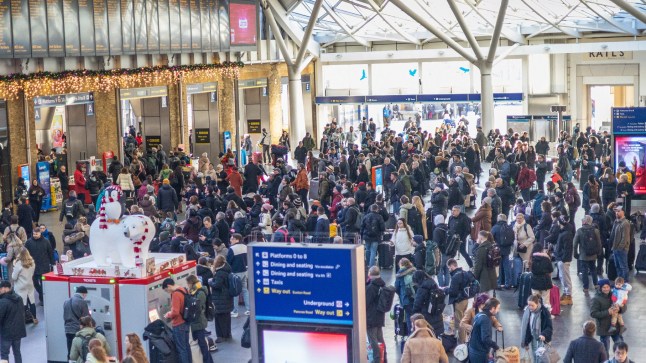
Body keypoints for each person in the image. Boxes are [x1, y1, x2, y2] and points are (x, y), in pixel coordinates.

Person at [591, 279, 624, 355]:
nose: (606, 289)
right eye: (604, 287)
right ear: (600, 288)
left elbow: (624, 306)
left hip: (615, 327)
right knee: (605, 351)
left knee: (621, 347)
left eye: (607, 287)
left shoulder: (615, 294)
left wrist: (620, 309)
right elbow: (593, 313)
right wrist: (607, 312)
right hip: (604, 328)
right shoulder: (596, 299)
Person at [162, 278, 191, 363]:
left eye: (167, 290)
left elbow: (175, 312)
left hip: (178, 324)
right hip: (186, 321)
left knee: (181, 350)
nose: (168, 292)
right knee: (186, 346)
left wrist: (168, 314)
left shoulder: (175, 294)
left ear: (169, 286)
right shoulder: (183, 290)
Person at [186, 274, 213, 363]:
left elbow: (198, 307)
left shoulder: (199, 292)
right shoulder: (197, 290)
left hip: (199, 321)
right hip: (198, 320)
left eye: (188, 283)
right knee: (202, 343)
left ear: (191, 282)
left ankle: (208, 361)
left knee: (203, 344)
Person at [24, 226, 53, 305]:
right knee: (35, 283)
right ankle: (41, 294)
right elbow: (25, 254)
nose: (35, 235)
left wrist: (52, 263)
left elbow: (50, 253)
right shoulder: (29, 242)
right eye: (34, 234)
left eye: (36, 234)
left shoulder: (46, 242)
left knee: (43, 284)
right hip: (33, 267)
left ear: (40, 233)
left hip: (44, 267)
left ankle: (43, 298)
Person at [573, 215, 602, 293]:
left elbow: (575, 244)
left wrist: (575, 254)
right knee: (593, 269)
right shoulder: (596, 230)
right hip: (593, 254)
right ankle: (596, 284)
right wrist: (599, 252)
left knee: (584, 271)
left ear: (585, 221)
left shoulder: (579, 231)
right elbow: (599, 243)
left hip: (583, 255)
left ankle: (586, 287)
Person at [468, 297, 501, 363]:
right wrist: (497, 347)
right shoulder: (485, 319)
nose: (498, 311)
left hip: (473, 350)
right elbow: (486, 338)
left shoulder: (479, 315)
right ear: (492, 308)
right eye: (498, 308)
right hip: (479, 354)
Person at [520, 293, 553, 358]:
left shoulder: (544, 312)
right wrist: (526, 342)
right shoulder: (527, 312)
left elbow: (549, 327)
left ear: (537, 304)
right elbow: (526, 328)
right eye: (529, 305)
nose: (530, 307)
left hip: (542, 339)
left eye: (532, 305)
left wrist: (544, 334)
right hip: (533, 338)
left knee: (542, 359)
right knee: (535, 356)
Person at [0, 280, 26, 362]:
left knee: (4, 355)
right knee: (17, 353)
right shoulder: (19, 298)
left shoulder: (3, 302)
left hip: (6, 334)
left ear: (4, 288)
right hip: (18, 331)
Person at [365, 266, 387, 363]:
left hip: (371, 316)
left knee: (372, 339)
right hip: (379, 315)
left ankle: (377, 358)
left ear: (370, 274)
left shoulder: (371, 287)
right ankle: (383, 357)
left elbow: (366, 302)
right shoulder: (382, 284)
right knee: (379, 337)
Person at [209, 255, 233, 343]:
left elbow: (217, 285)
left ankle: (221, 336)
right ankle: (228, 334)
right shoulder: (227, 269)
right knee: (227, 317)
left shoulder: (220, 273)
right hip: (227, 297)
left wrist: (211, 282)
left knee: (219, 317)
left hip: (220, 298)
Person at [445, 258, 470, 339]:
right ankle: (465, 337)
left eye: (449, 267)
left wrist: (445, 289)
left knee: (459, 323)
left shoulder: (455, 276)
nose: (449, 270)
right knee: (463, 320)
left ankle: (461, 343)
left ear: (452, 266)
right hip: (465, 299)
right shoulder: (464, 272)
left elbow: (453, 291)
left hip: (459, 302)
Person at [226, 233, 249, 317]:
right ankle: (248, 309)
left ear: (237, 240)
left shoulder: (232, 249)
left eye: (232, 239)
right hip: (245, 271)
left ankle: (235, 311)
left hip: (235, 272)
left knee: (235, 291)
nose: (230, 240)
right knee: (245, 290)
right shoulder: (245, 247)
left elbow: (228, 261)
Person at [64, 286, 90, 357]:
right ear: (84, 294)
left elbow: (64, 316)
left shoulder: (66, 301)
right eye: (85, 295)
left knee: (70, 351)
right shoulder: (82, 302)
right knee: (79, 353)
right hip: (78, 331)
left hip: (68, 330)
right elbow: (86, 318)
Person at [11, 248, 36, 324]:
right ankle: (34, 318)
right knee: (31, 301)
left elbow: (14, 277)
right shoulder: (32, 262)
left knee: (23, 302)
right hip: (29, 284)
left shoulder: (18, 264)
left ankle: (24, 319)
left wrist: (14, 265)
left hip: (21, 285)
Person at [554, 215, 574, 306]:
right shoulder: (565, 232)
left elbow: (567, 248)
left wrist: (563, 259)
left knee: (565, 278)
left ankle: (568, 296)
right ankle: (566, 294)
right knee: (563, 277)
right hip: (562, 258)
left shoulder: (566, 234)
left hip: (563, 259)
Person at [529, 243, 553, 312]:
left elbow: (530, 270)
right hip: (545, 281)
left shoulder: (531, 258)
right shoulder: (547, 258)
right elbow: (550, 270)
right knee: (546, 301)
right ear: (541, 250)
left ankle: (535, 314)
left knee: (534, 300)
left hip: (534, 281)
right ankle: (547, 315)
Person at [394, 258, 416, 333]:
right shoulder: (414, 271)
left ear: (401, 265)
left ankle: (411, 335)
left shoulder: (400, 275)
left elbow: (396, 288)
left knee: (409, 317)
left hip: (406, 299)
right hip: (416, 298)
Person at [610, 206, 631, 282]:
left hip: (621, 249)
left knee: (623, 267)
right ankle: (619, 282)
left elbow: (624, 238)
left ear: (623, 212)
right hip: (615, 248)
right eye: (616, 211)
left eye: (618, 211)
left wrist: (619, 248)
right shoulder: (616, 221)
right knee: (618, 266)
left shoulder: (625, 223)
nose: (617, 213)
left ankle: (624, 283)